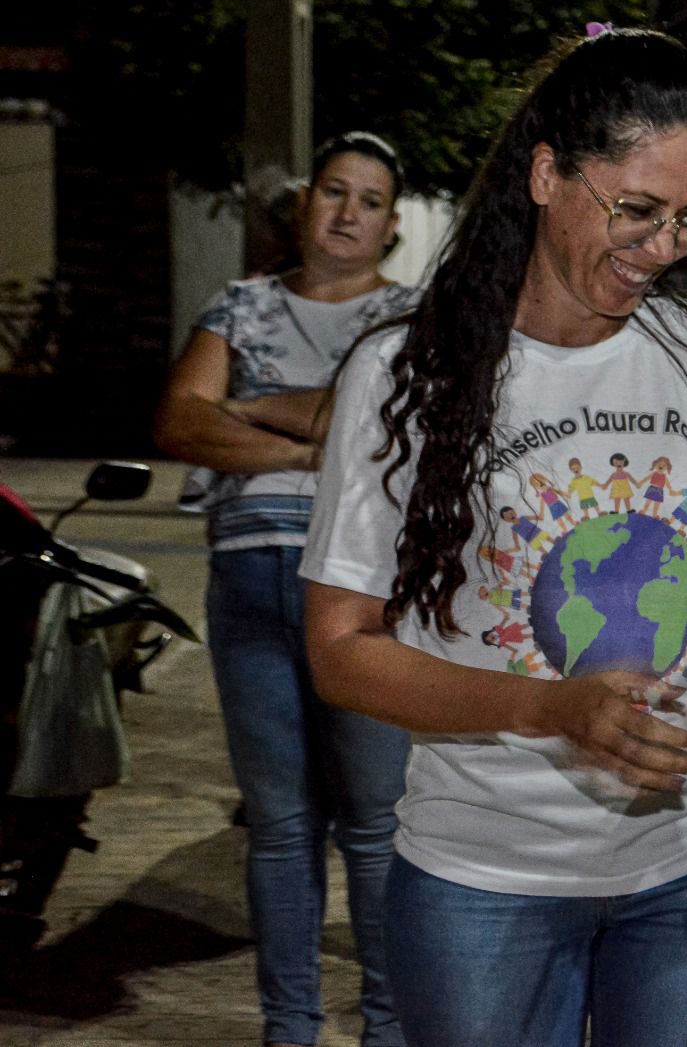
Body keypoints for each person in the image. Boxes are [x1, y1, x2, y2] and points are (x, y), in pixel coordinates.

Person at [299, 28, 687, 1047]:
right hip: (485, 877)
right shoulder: (408, 374)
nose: (663, 248)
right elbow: (341, 650)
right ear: (546, 176)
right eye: (636, 209)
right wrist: (552, 708)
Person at [152, 131, 418, 1047]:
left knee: (376, 822)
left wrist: (246, 405)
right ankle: (290, 1028)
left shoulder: (408, 317)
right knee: (279, 824)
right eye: (334, 191)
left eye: (370, 201)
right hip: (250, 582)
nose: (348, 213)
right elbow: (178, 421)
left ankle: (388, 1027)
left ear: (391, 226)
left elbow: (370, 421)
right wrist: (314, 445)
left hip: (362, 586)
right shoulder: (241, 302)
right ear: (304, 205)